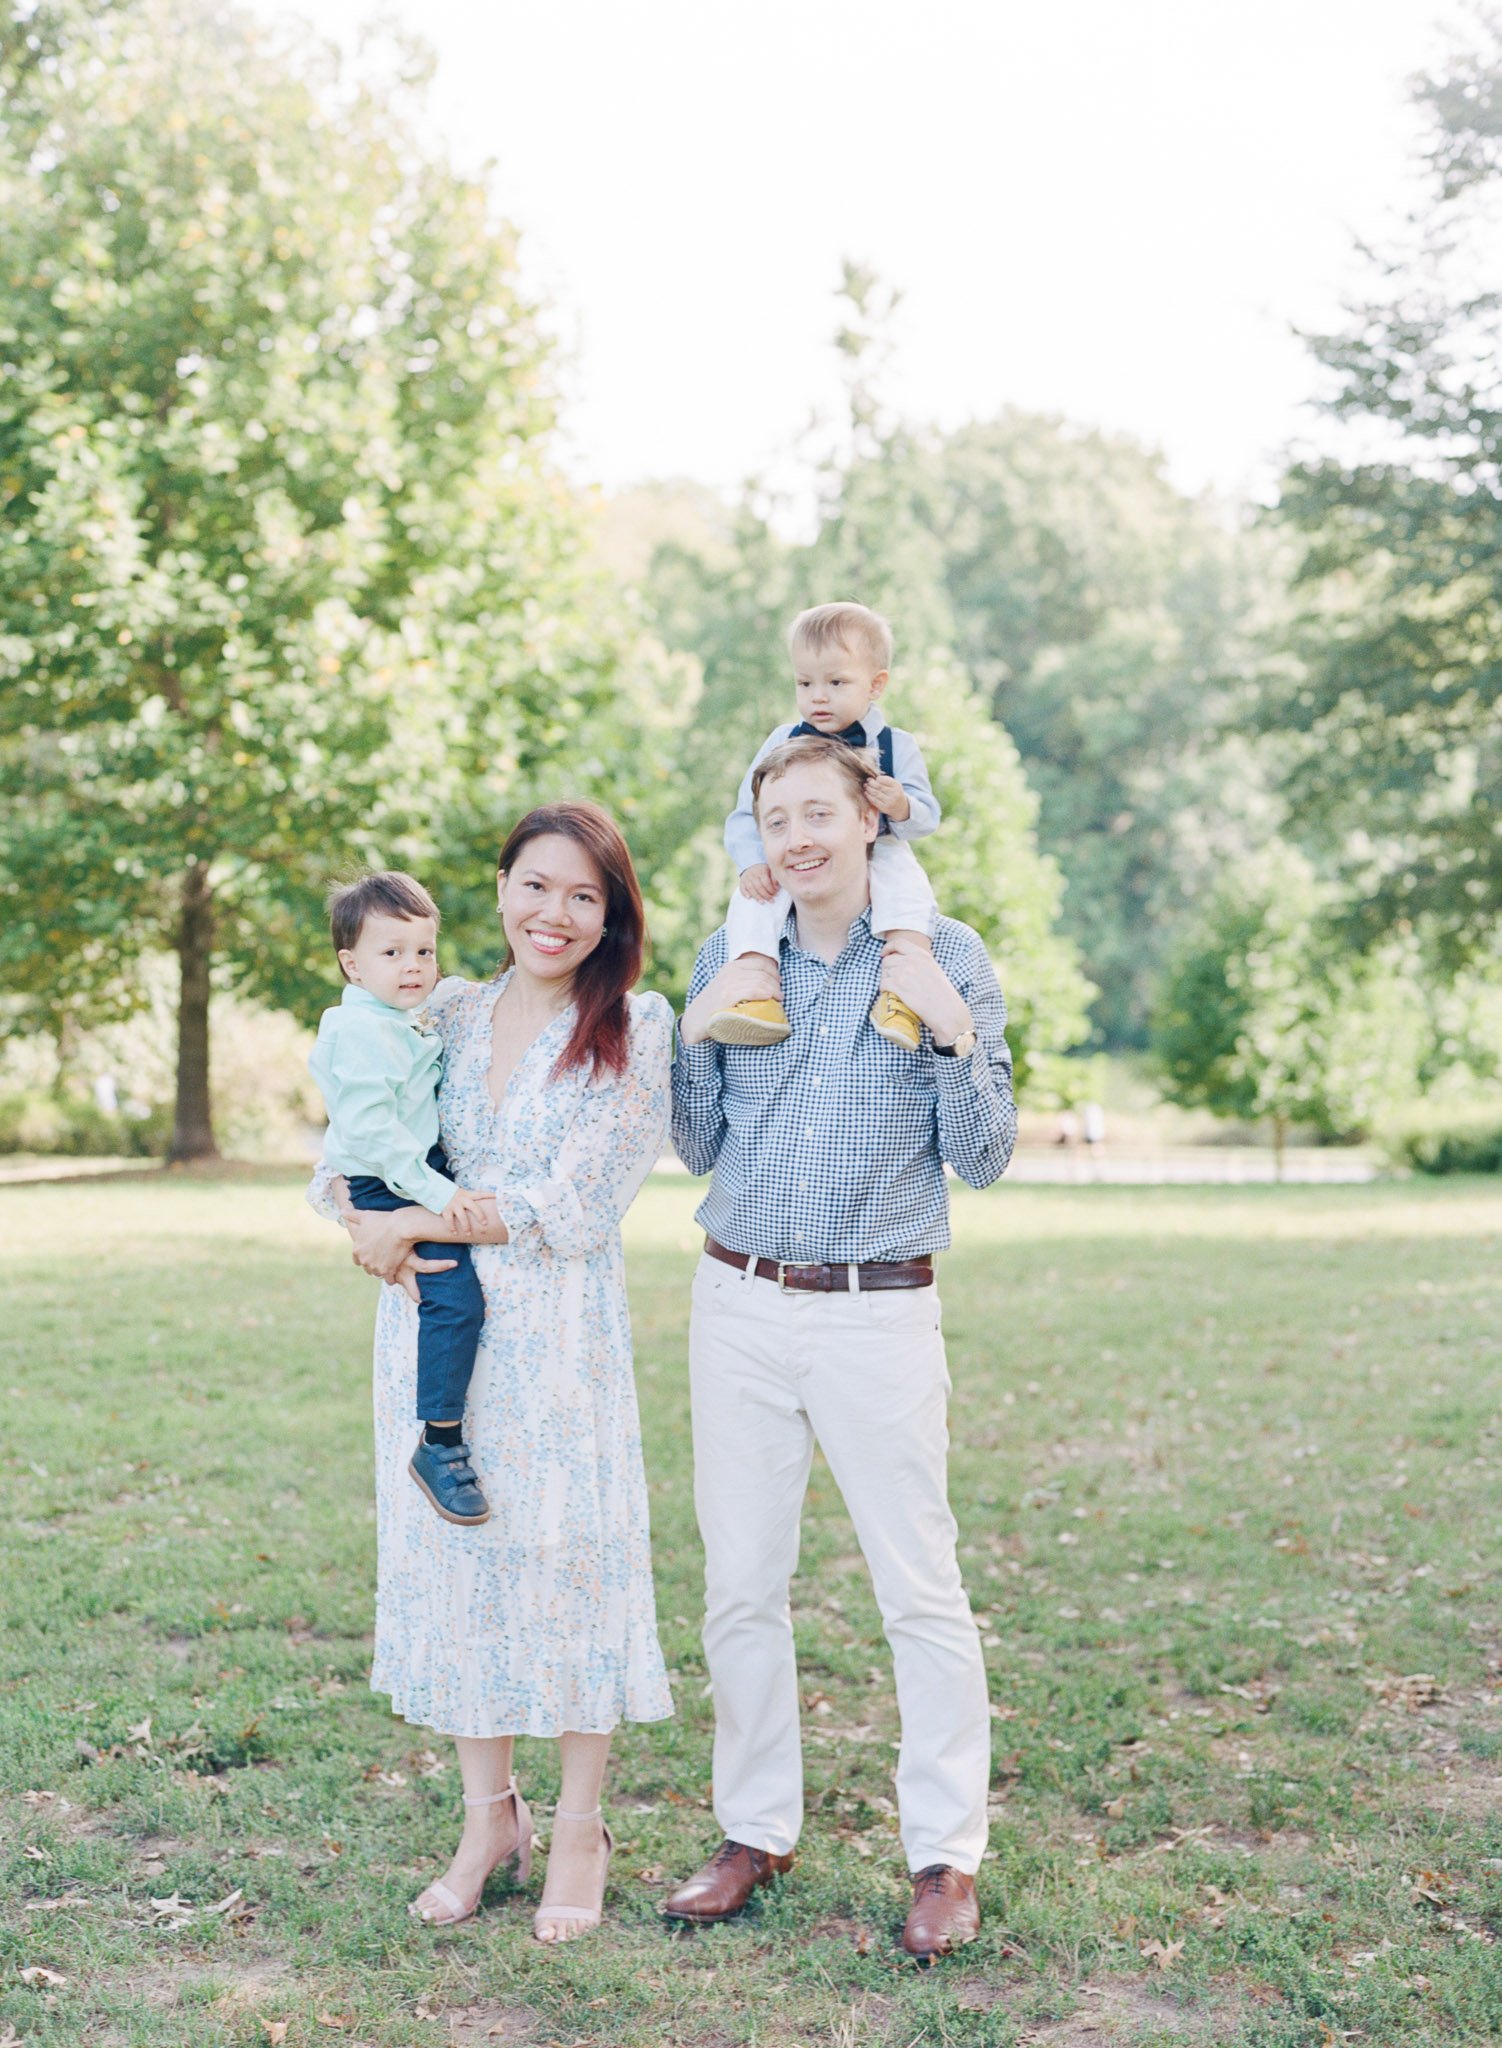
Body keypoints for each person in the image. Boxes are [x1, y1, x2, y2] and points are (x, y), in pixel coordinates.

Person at [665, 734, 1017, 1964]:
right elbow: (696, 1144)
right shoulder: (734, 952)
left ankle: (943, 1857)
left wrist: (947, 1031)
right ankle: (752, 1831)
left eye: (818, 810)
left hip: (876, 1308)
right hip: (738, 1303)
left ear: (870, 817)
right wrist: (692, 1033)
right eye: (776, 817)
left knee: (917, 1589)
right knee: (739, 1586)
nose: (797, 836)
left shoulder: (942, 954)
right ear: (757, 835)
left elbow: (983, 1154)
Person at [308, 802, 673, 1945]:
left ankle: (577, 1827)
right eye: (533, 885)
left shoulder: (633, 1023)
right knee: (461, 1572)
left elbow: (584, 1199)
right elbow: (344, 1153)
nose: (551, 913)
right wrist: (370, 1229)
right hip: (435, 1334)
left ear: (609, 913)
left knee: (566, 1572)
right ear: (500, 886)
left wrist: (420, 1216)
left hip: (559, 1341)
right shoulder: (441, 1008)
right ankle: (485, 1822)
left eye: (581, 894)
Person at [309, 871, 494, 1526]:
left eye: (424, 951)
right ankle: (440, 1442)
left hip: (410, 1166)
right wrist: (442, 1196)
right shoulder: (361, 1032)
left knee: (450, 1290)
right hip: (392, 1176)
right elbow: (375, 1138)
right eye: (392, 953)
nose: (414, 966)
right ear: (351, 964)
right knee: (452, 1296)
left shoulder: (397, 1018)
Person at [708, 600, 941, 1054]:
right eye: (804, 682)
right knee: (754, 899)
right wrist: (751, 861)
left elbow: (927, 818)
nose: (818, 696)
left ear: (875, 685)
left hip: (884, 848)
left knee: (912, 899)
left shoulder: (896, 746)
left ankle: (900, 995)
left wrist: (901, 804)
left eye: (836, 682)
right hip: (798, 853)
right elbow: (746, 813)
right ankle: (756, 993)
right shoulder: (782, 741)